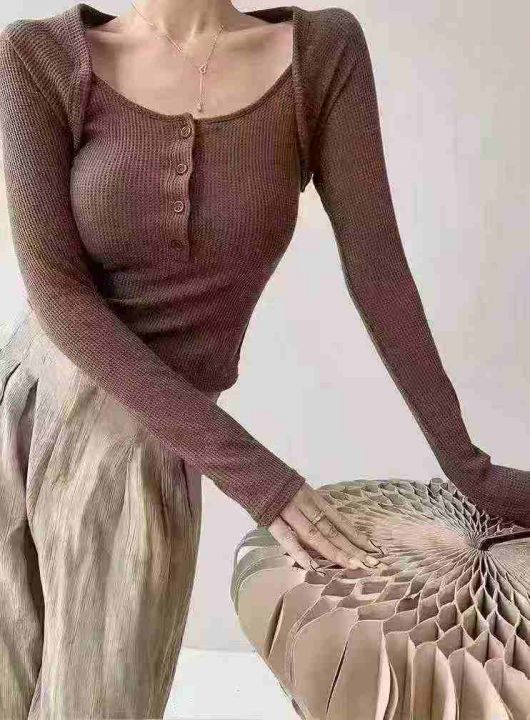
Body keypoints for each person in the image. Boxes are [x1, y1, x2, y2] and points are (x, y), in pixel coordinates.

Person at [0, 0, 527, 716]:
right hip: (30, 407)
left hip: (146, 450)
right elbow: (57, 293)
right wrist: (263, 481)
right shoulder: (40, 57)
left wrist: (469, 467)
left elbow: (377, 270)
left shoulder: (320, 55)